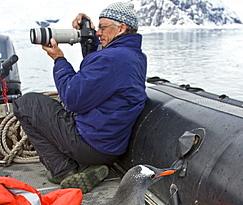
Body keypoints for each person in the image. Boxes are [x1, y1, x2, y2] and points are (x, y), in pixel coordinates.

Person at [13, 2, 147, 193]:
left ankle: (64, 171)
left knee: (26, 104)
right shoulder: (133, 55)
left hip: (89, 145)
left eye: (102, 28)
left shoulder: (111, 59)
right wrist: (89, 35)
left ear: (121, 28)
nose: (99, 32)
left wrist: (59, 60)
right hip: (110, 148)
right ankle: (89, 168)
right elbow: (100, 73)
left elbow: (71, 98)